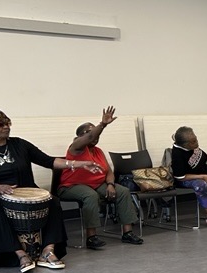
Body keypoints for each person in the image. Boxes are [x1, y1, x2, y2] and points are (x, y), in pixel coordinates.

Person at [0, 108, 103, 272]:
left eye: (8, 123)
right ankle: (20, 254)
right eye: (0, 124)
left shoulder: (20, 144)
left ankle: (47, 251)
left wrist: (79, 164)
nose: (6, 127)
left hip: (26, 191)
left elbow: (49, 161)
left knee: (53, 202)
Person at [57, 106, 143, 248]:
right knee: (90, 195)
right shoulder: (76, 147)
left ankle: (127, 233)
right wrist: (102, 124)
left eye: (96, 133)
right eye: (89, 133)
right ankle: (92, 237)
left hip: (98, 184)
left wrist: (110, 184)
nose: (94, 136)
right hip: (71, 186)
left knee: (123, 192)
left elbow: (108, 171)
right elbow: (90, 137)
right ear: (80, 137)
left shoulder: (98, 151)